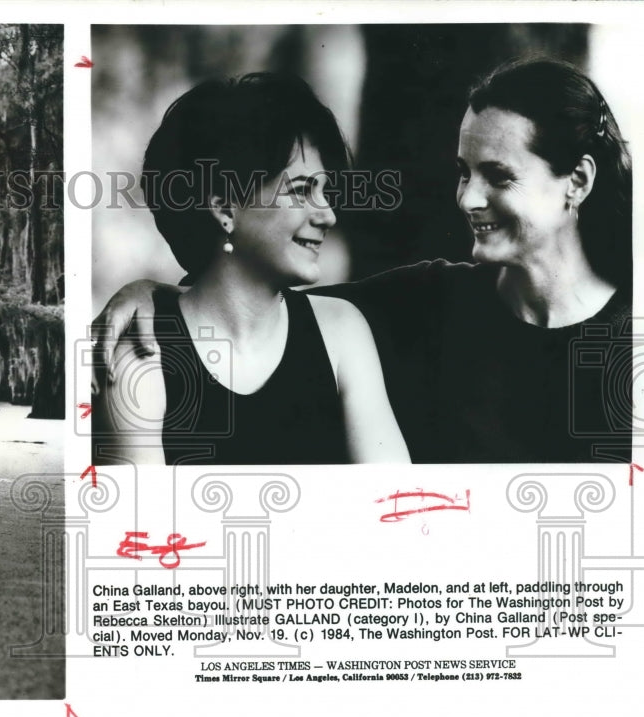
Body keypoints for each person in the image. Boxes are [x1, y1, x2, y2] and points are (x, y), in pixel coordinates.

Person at [92, 59, 633, 464]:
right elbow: (246, 302)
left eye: (499, 175)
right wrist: (149, 293)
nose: (466, 198)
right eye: (464, 172)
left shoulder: (636, 336)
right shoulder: (427, 299)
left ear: (578, 182)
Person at [94, 73, 410, 465]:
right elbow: (140, 526)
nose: (327, 214)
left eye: (325, 191)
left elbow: (394, 509)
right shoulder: (140, 354)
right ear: (226, 208)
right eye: (300, 191)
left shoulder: (343, 332)